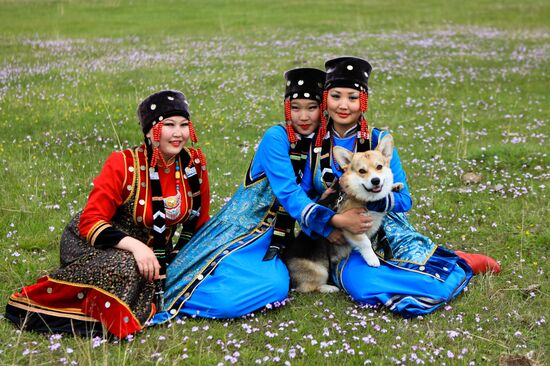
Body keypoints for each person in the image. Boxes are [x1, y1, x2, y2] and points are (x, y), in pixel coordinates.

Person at [150, 68, 369, 324]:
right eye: (296, 107)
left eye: (312, 107)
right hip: (240, 232)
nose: (304, 116)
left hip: (276, 242)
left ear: (323, 109)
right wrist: (330, 222)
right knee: (226, 300)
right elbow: (288, 192)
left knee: (276, 287)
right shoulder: (276, 137)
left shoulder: (321, 146)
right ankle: (185, 297)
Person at [301, 57, 500, 317]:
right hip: (338, 240)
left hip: (388, 230)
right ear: (326, 98)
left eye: (352, 97)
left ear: (363, 100)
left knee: (422, 274)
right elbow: (302, 198)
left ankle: (459, 262)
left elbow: (405, 200)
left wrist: (372, 199)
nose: (343, 105)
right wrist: (329, 224)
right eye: (336, 96)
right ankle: (404, 280)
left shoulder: (379, 140)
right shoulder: (313, 145)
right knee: (365, 289)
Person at [6, 90, 210, 338]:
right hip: (96, 243)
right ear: (148, 132)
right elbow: (91, 221)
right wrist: (137, 248)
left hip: (154, 251)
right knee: (129, 266)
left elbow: (200, 222)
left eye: (184, 125)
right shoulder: (123, 163)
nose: (178, 133)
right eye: (168, 125)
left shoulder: (193, 164)